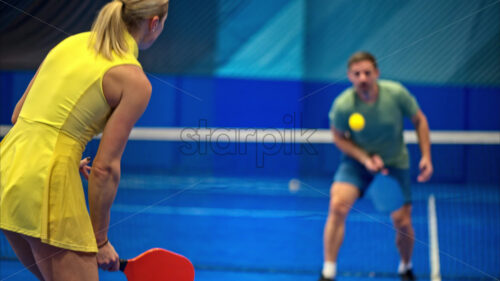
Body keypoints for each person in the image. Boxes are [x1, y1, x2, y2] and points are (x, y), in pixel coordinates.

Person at [0, 0, 169, 280]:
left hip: (7, 167)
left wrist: (62, 157)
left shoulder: (71, 43)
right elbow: (104, 169)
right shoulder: (134, 79)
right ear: (154, 23)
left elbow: (20, 114)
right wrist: (100, 241)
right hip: (44, 182)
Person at [319, 52, 433, 281]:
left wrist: (426, 156)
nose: (363, 78)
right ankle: (328, 272)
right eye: (357, 73)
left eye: (367, 72)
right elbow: (339, 137)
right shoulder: (343, 105)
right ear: (350, 76)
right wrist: (364, 158)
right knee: (337, 205)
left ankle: (405, 267)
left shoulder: (396, 94)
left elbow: (420, 120)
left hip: (394, 163)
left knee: (402, 222)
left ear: (377, 73)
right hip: (357, 163)